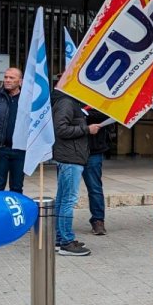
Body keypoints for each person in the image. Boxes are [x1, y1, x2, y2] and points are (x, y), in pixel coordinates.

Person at [53, 93, 103, 256]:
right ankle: (67, 242)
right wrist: (87, 129)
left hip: (71, 157)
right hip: (70, 158)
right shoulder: (66, 102)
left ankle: (60, 239)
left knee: (62, 200)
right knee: (68, 200)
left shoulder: (69, 102)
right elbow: (60, 129)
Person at [82, 105, 115, 236]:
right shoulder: (68, 96)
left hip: (93, 150)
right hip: (70, 150)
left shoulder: (97, 95)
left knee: (94, 187)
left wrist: (84, 113)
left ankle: (98, 220)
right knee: (65, 191)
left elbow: (107, 114)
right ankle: (62, 224)